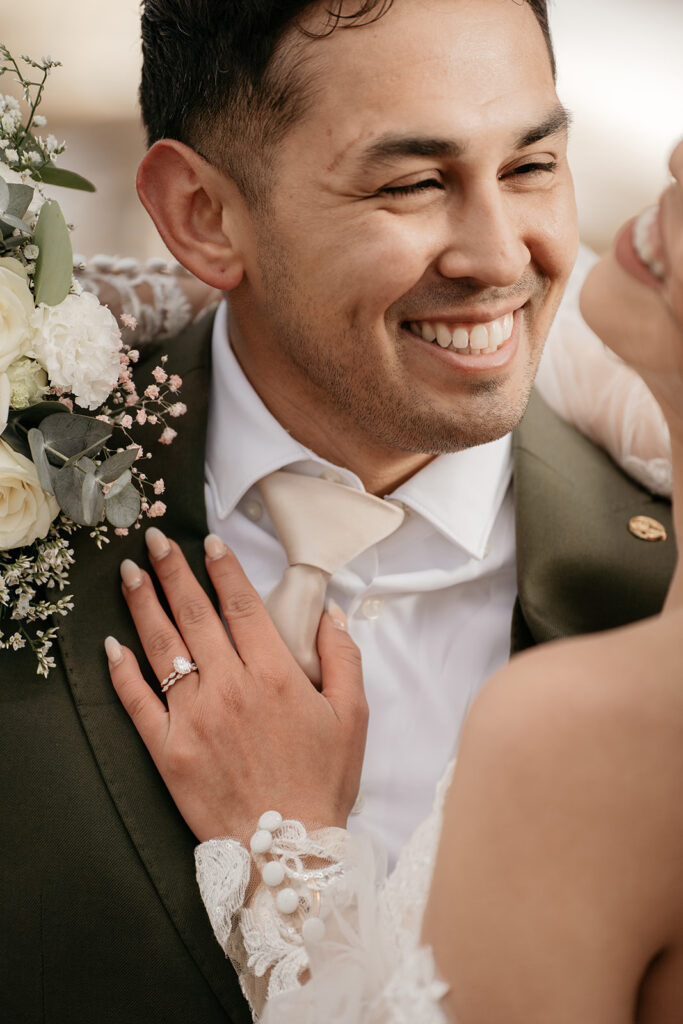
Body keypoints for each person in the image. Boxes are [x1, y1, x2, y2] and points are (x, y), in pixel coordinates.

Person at [0, 1, 675, 1021]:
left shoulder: (653, 599)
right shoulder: (29, 493)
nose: (500, 257)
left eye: (530, 165)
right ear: (200, 215)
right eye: (411, 183)